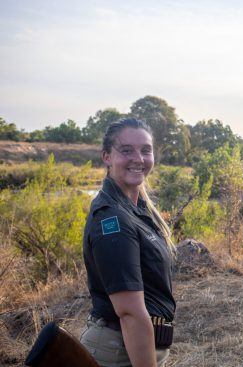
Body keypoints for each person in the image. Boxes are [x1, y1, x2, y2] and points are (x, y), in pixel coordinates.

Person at [80, 118, 176, 367]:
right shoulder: (113, 219)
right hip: (118, 352)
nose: (139, 158)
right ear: (106, 157)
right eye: (126, 150)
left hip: (133, 347)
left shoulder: (136, 208)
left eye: (146, 150)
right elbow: (130, 313)